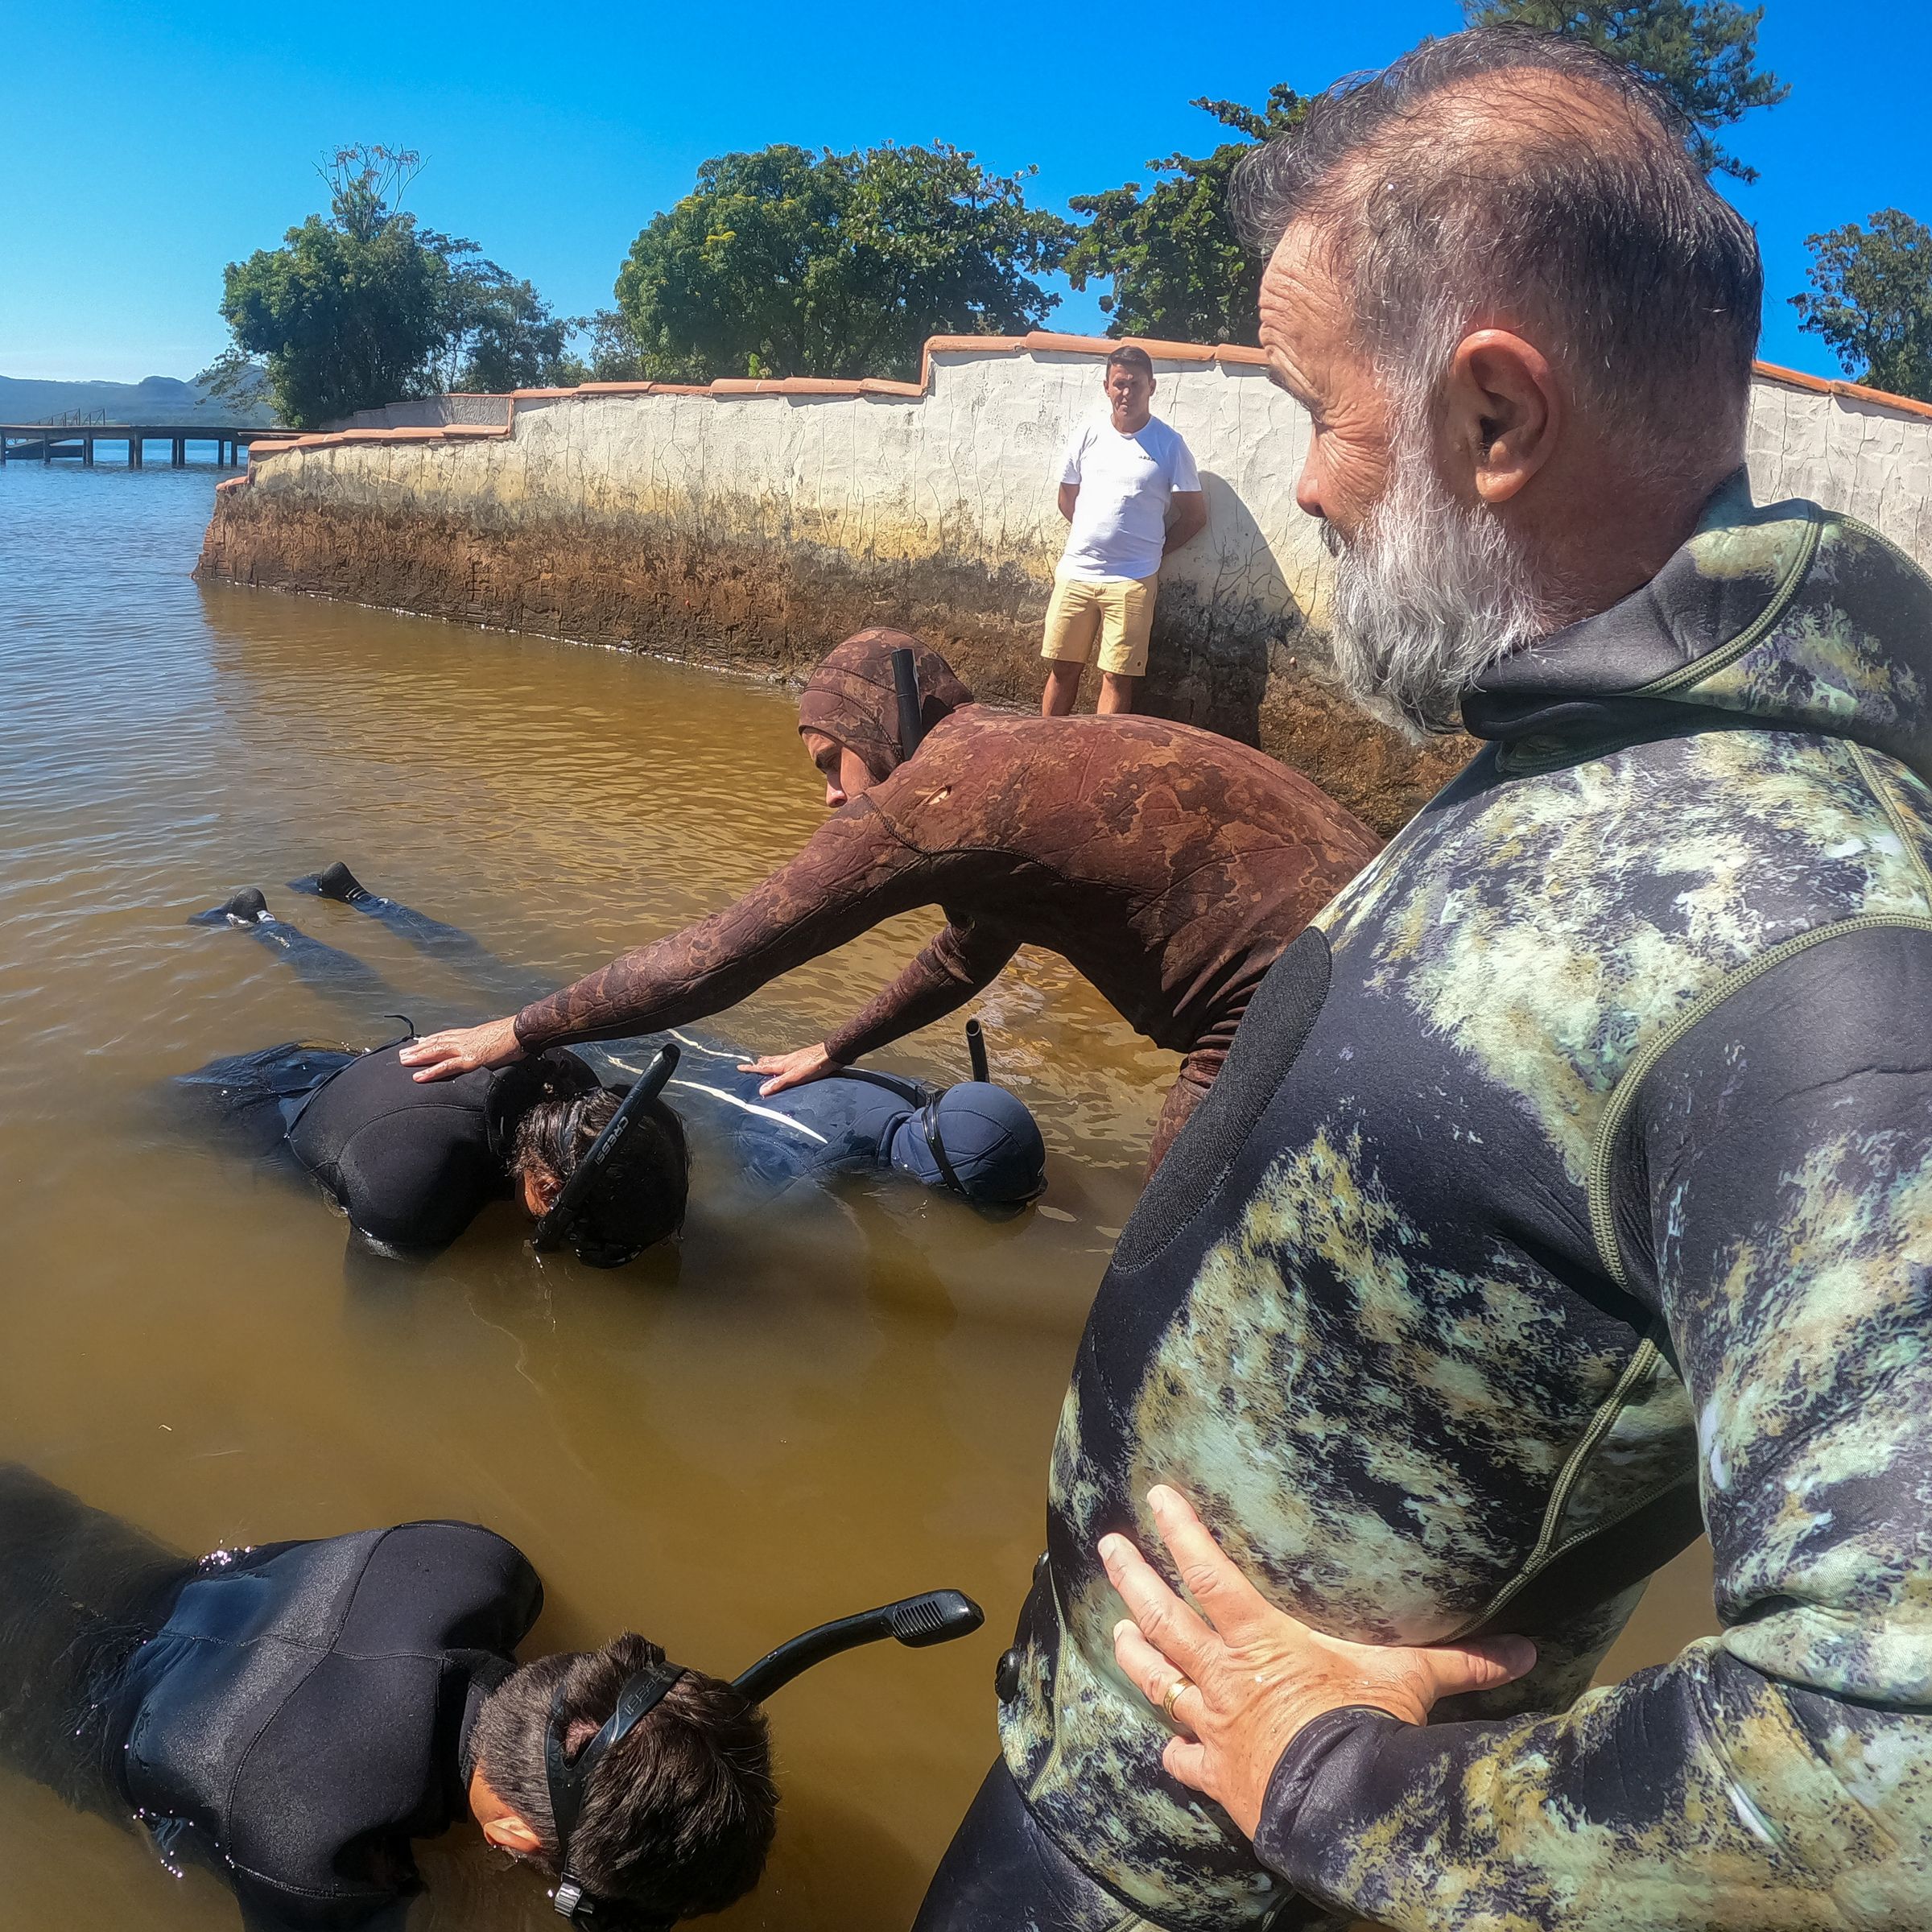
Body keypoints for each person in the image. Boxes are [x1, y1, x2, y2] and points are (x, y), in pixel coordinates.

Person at [915, 27, 1932, 1932]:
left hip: (1229, 1885)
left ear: (1489, 418)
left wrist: (1347, 1787)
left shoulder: (1808, 925)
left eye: (1314, 403)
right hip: (1098, 1797)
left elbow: (1900, 1752)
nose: (1293, 482)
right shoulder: (1582, 745)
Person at [398, 633, 1379, 1173]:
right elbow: (966, 954)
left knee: (1168, 1277)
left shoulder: (934, 796)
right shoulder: (1005, 757)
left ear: (884, 723)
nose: (828, 792)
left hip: (1291, 1005)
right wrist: (837, 1050)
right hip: (1403, 921)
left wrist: (516, 1033)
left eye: (833, 761)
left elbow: (714, 960)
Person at [0, 1463, 976, 1930]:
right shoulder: (321, 1862)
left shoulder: (475, 1565)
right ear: (514, 1841)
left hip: (77, 1550)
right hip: (45, 1707)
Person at [183, 879, 1045, 1257]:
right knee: (448, 1009)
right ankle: (279, 926)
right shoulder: (821, 1151)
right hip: (617, 1067)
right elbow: (739, 1211)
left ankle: (354, 901)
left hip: (625, 1049)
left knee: (472, 974)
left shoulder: (905, 1089)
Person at [1040, 345, 1208, 719]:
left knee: (1117, 679)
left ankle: (1100, 764)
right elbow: (1067, 499)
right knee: (1062, 669)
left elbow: (1195, 516)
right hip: (1076, 574)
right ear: (1106, 387)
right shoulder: (1087, 435)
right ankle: (1042, 752)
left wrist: (1154, 551)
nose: (1126, 393)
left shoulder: (1170, 445)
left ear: (1152, 387)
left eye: (1135, 384)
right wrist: (1094, 535)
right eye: (1119, 384)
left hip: (1133, 581)